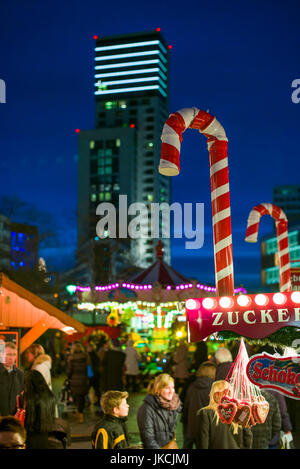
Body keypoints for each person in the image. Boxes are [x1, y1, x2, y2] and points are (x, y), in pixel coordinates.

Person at [196, 380, 253, 449]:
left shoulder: (205, 413)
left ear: (212, 394)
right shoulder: (240, 411)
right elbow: (248, 437)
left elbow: (203, 441)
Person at [137, 373, 182, 449]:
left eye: (173, 387)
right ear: (158, 389)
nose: (171, 391)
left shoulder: (172, 406)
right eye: (167, 388)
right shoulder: (147, 408)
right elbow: (148, 440)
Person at [182, 361, 216, 449]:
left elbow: (186, 405)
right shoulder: (213, 388)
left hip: (191, 424)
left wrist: (185, 421)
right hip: (205, 426)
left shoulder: (192, 386)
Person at [23, 370, 56, 449]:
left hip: (30, 438)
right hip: (44, 437)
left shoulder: (30, 400)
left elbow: (28, 422)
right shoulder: (50, 397)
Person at [0, 342, 24, 417]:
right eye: (9, 354)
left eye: (14, 355)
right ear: (1, 355)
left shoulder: (20, 374)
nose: (11, 358)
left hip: (15, 420)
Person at [67, 342, 89, 423]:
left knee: (76, 397)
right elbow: (89, 368)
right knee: (82, 397)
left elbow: (69, 371)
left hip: (74, 380)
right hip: (83, 380)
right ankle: (80, 413)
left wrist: (68, 378)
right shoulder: (86, 357)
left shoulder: (71, 358)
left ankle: (79, 414)